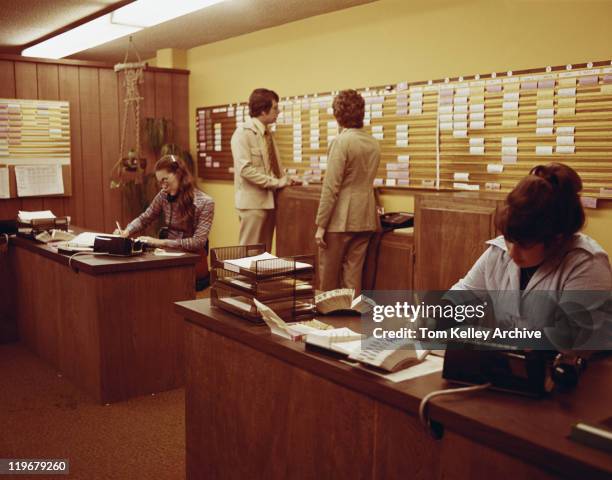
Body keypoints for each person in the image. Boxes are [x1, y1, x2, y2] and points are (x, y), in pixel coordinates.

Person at [451, 163, 611, 350]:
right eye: (509, 239)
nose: (511, 252)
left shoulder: (587, 264)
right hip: (513, 370)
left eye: (525, 245)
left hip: (573, 376)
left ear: (556, 239)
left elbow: (566, 342)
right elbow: (463, 295)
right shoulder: (499, 251)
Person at [315, 89, 381, 294]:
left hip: (340, 219)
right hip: (365, 217)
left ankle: (325, 323)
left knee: (328, 277)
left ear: (337, 116)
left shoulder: (340, 142)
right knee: (353, 276)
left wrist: (320, 225)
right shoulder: (373, 143)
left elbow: (331, 187)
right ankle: (350, 321)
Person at [119, 154, 215, 288]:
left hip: (193, 261)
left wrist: (160, 242)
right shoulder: (163, 196)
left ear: (179, 174)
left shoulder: (205, 202)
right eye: (160, 182)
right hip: (168, 255)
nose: (163, 186)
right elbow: (145, 218)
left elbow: (198, 242)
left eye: (165, 179)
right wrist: (126, 231)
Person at [231, 88, 296, 252]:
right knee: (249, 254)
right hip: (253, 205)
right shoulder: (242, 134)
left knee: (264, 255)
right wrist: (277, 182)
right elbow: (245, 170)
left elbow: (273, 168)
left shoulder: (268, 134)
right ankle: (245, 280)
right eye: (275, 108)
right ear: (262, 109)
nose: (278, 111)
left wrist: (287, 179)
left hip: (270, 202)